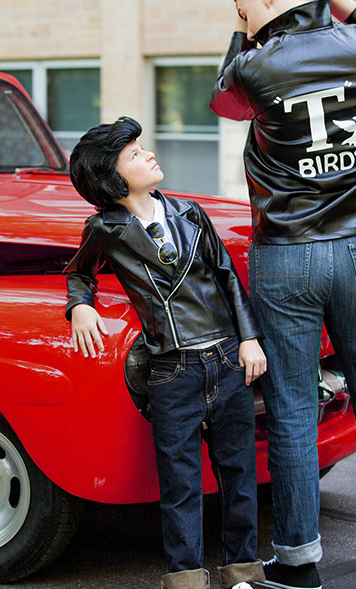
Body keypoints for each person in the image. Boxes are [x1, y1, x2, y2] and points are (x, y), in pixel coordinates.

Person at [210, 0, 356, 588]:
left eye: (243, 5)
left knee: (292, 407)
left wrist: (246, 34)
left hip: (284, 255)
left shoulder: (253, 63)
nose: (242, 18)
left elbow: (225, 99)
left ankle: (300, 564)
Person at [64, 116, 267, 589]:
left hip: (225, 358)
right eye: (134, 154)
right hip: (172, 370)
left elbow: (226, 276)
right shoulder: (105, 228)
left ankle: (242, 572)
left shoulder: (190, 213)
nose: (149, 154)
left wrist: (249, 338)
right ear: (112, 179)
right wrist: (80, 306)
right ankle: (186, 578)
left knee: (239, 472)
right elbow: (80, 273)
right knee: (180, 482)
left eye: (142, 147)